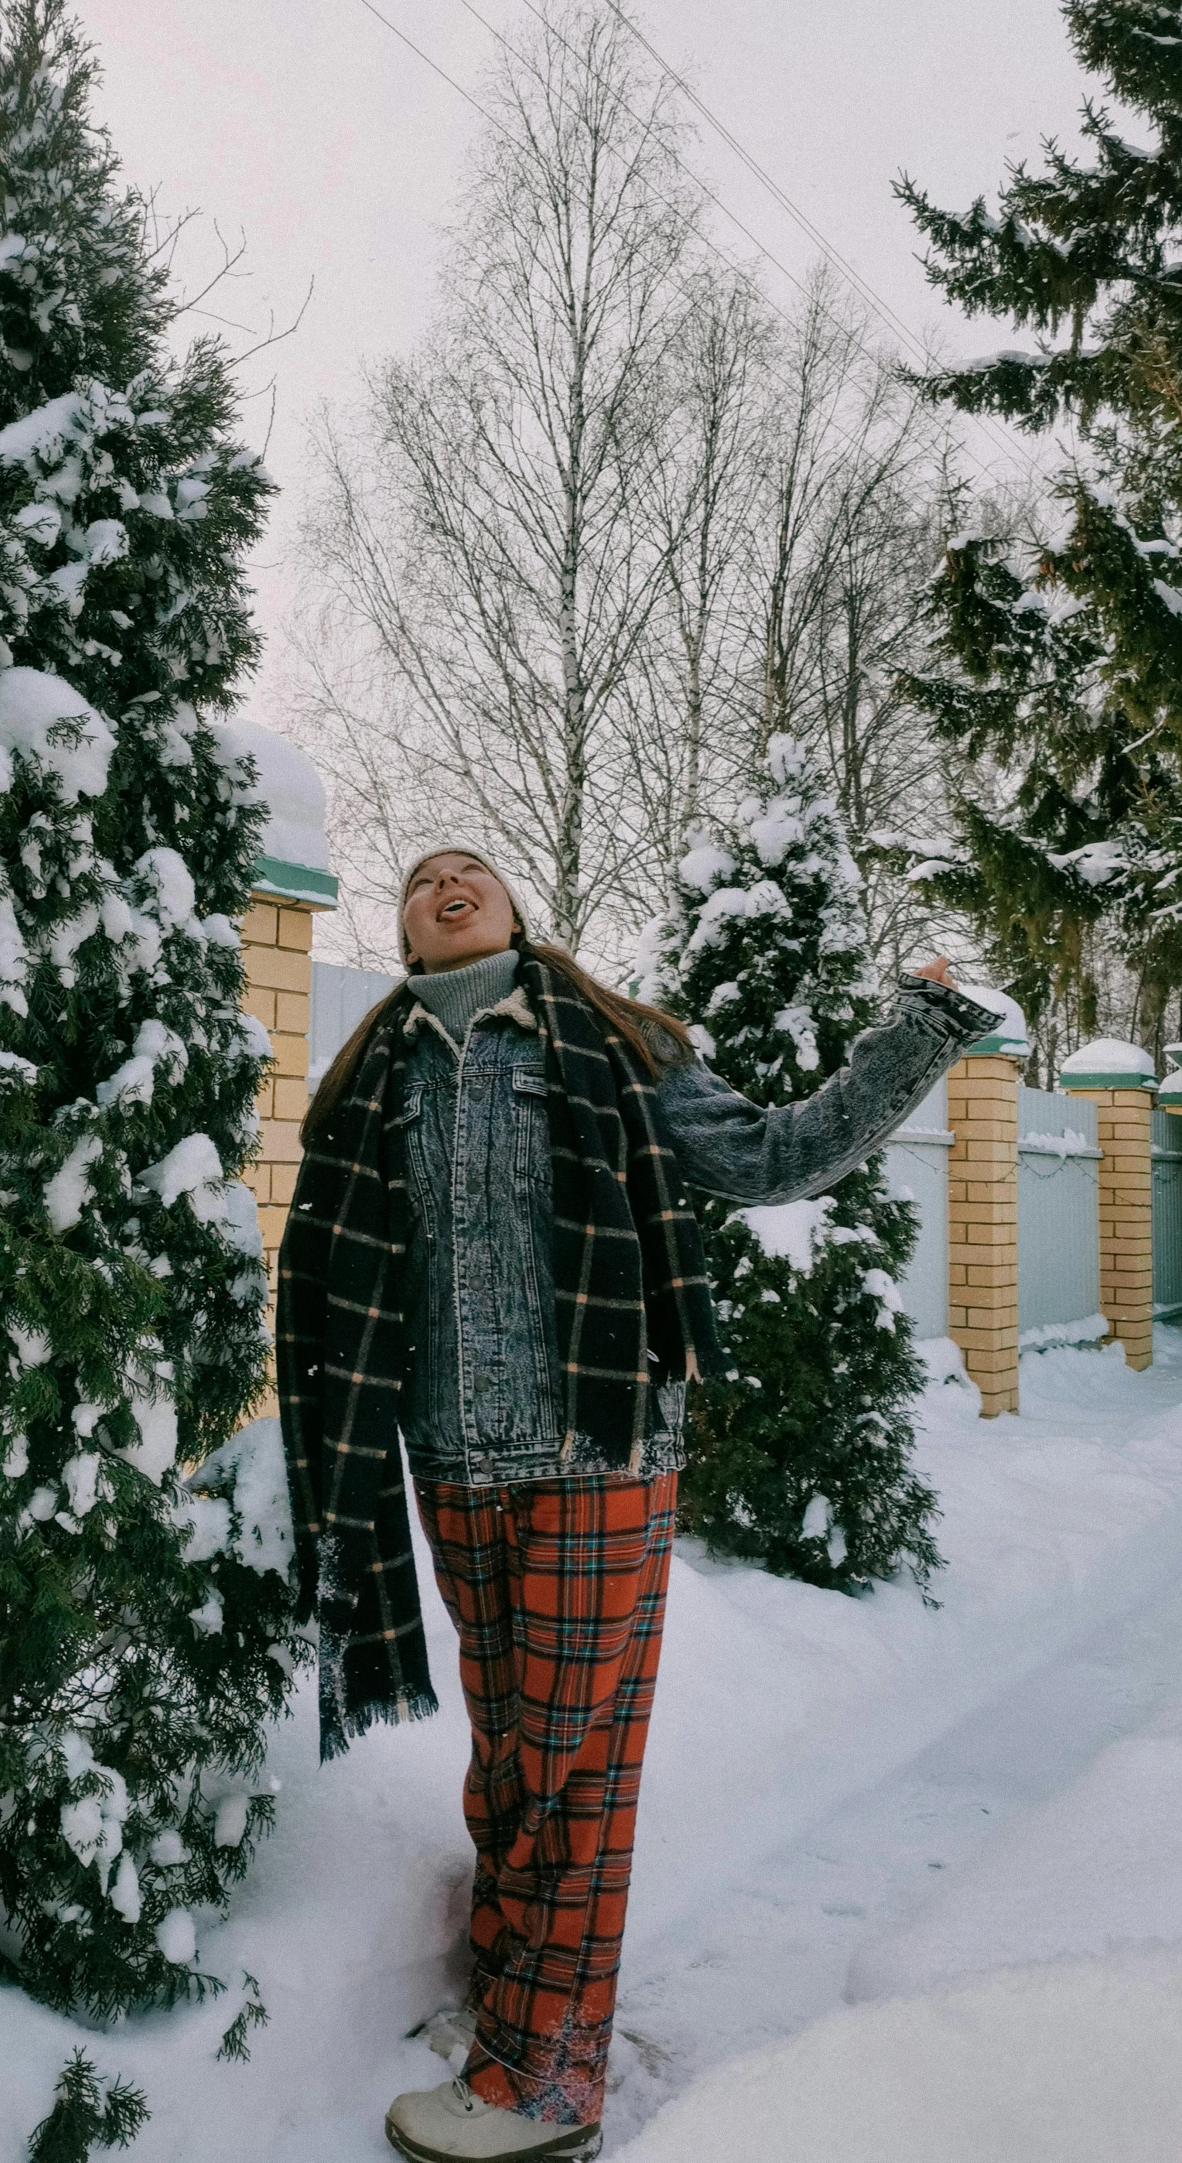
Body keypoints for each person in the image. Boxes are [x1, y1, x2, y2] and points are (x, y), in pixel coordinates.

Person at [275, 847, 997, 2163]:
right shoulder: (368, 1078)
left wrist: (918, 1028)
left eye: (472, 871)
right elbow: (332, 1283)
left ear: (509, 911)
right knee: (509, 1762)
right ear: (404, 932)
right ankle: (516, 2005)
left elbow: (782, 1155)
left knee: (569, 1767)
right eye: (422, 879)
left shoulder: (616, 1046)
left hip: (597, 1450)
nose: (448, 882)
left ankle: (543, 2083)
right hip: (447, 1461)